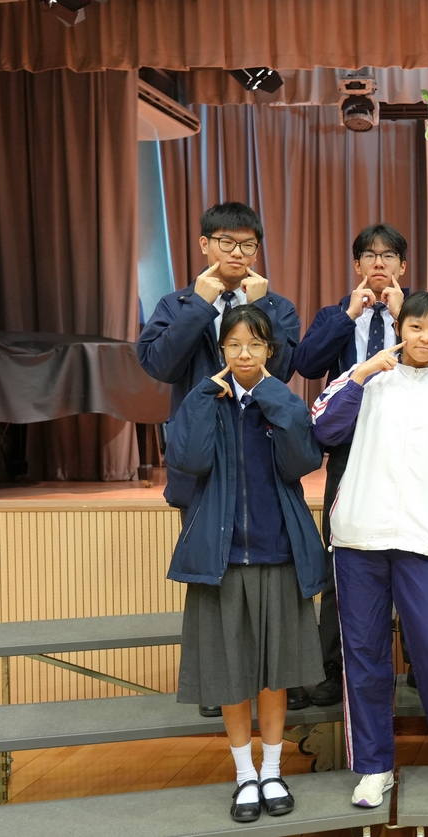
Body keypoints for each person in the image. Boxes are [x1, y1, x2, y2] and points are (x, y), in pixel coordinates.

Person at [311, 291, 428, 809]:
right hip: (358, 538)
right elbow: (323, 427)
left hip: (422, 541)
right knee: (364, 658)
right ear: (400, 328)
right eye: (416, 327)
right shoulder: (367, 377)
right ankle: (374, 768)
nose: (425, 338)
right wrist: (362, 374)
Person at [137, 201, 305, 715]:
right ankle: (220, 686)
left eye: (247, 244)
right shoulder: (177, 304)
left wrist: (265, 306)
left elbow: (287, 369)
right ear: (205, 245)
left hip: (263, 459)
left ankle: (275, 680)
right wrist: (201, 305)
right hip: (203, 463)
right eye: (227, 242)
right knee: (213, 577)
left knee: (269, 579)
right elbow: (159, 365)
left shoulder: (276, 304)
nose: (237, 252)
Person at [164, 304, 325, 823]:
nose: (244, 353)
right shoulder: (207, 399)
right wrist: (201, 398)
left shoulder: (282, 400)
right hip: (222, 558)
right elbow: (188, 460)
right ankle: (244, 776)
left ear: (270, 351)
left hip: (278, 553)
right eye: (234, 345)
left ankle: (273, 770)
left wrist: (272, 395)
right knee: (231, 675)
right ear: (222, 351)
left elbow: (304, 460)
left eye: (255, 344)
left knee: (274, 676)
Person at [292, 223, 414, 707]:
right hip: (350, 454)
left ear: (403, 265)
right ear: (357, 264)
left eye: (389, 255)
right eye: (369, 255)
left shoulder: (419, 312)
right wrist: (348, 317)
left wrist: (405, 318)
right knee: (340, 560)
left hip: (409, 453)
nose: (379, 262)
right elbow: (306, 363)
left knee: (412, 559)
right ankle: (332, 669)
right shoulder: (335, 314)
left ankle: (418, 667)